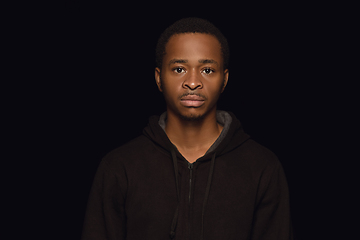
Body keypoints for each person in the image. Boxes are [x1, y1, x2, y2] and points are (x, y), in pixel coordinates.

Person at [81, 17, 293, 240]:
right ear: (159, 78)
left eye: (208, 70)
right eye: (180, 68)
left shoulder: (262, 167)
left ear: (224, 80)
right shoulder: (119, 166)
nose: (193, 82)